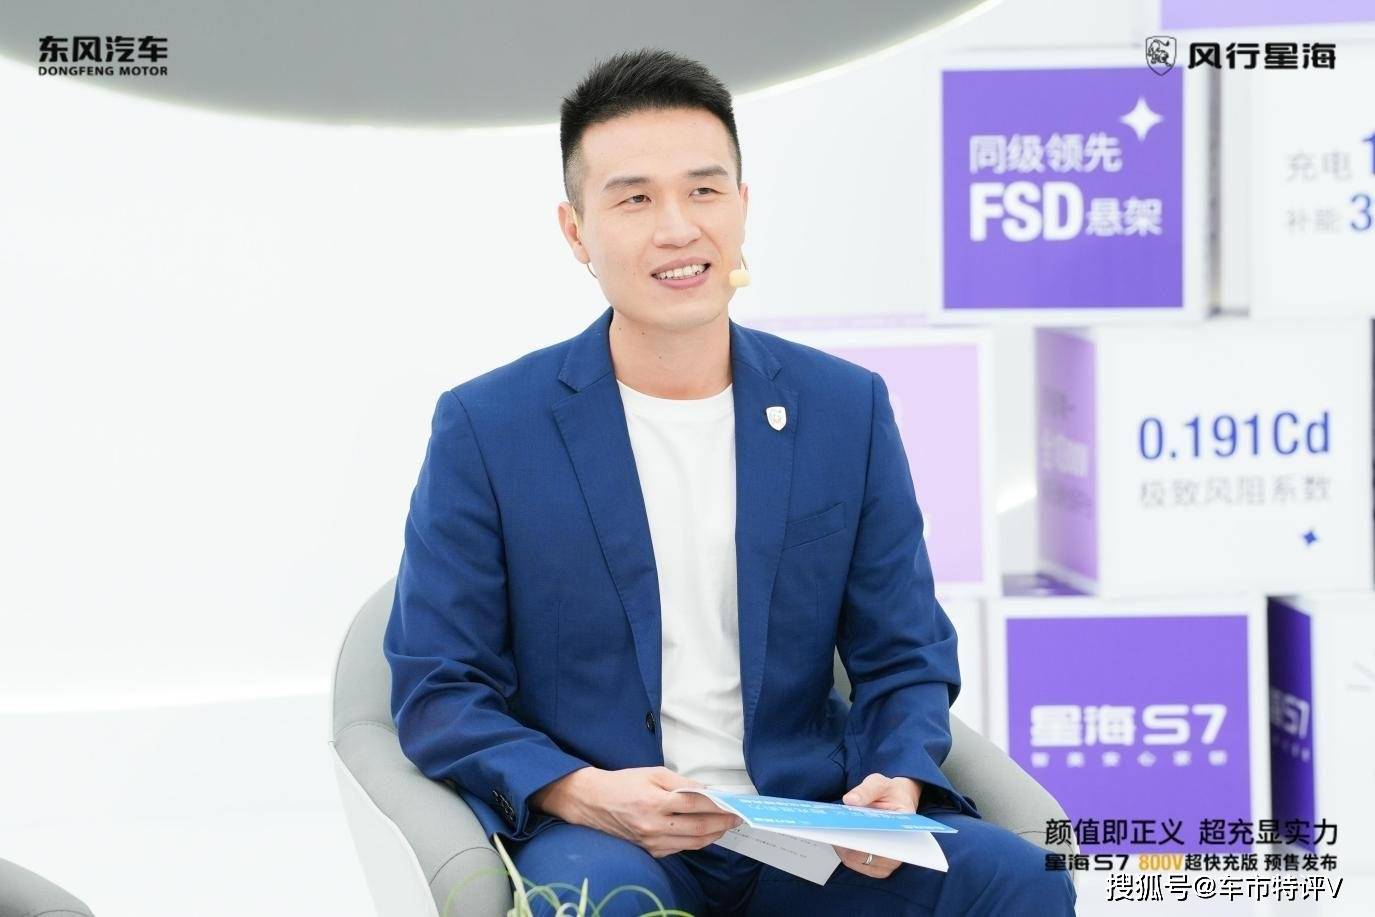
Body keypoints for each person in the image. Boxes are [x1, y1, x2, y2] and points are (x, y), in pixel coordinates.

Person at [383, 47, 1076, 916]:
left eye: (703, 190)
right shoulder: (488, 427)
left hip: (807, 822)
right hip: (605, 830)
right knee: (604, 903)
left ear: (742, 206)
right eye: (634, 199)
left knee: (1013, 878)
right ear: (575, 231)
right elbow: (438, 686)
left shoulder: (843, 408)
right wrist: (578, 790)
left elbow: (904, 653)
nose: (678, 228)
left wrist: (894, 774)